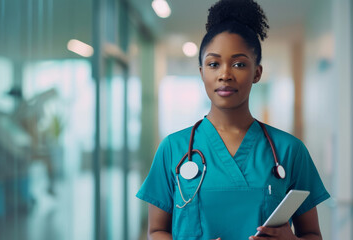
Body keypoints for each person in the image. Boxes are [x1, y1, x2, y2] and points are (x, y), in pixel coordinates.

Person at [136, 0, 330, 239]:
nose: (225, 74)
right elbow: (156, 231)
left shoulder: (290, 151)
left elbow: (312, 234)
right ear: (202, 72)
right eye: (213, 64)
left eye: (239, 64)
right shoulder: (172, 149)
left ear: (256, 73)